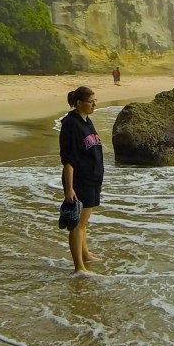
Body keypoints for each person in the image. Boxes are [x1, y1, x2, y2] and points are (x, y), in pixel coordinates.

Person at [59, 86, 104, 273]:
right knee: (78, 225)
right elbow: (68, 161)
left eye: (95, 100)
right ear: (78, 103)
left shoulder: (86, 121)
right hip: (79, 181)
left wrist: (99, 181)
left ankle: (85, 255)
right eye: (90, 101)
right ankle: (79, 266)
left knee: (84, 224)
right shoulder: (70, 124)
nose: (94, 104)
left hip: (92, 179)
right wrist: (69, 189)